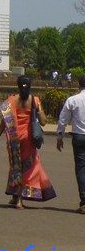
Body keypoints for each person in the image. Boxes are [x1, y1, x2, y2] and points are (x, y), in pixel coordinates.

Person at [0, 75, 56, 208]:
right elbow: (43, 122)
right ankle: (20, 199)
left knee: (16, 166)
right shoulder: (35, 100)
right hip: (28, 138)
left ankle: (16, 196)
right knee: (28, 168)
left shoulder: (11, 101)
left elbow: (4, 122)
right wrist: (38, 112)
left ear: (18, 86)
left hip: (13, 138)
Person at [55, 72, 85, 214]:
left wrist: (60, 136)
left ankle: (84, 201)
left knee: (80, 168)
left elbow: (63, 119)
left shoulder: (73, 100)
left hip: (79, 136)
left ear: (79, 85)